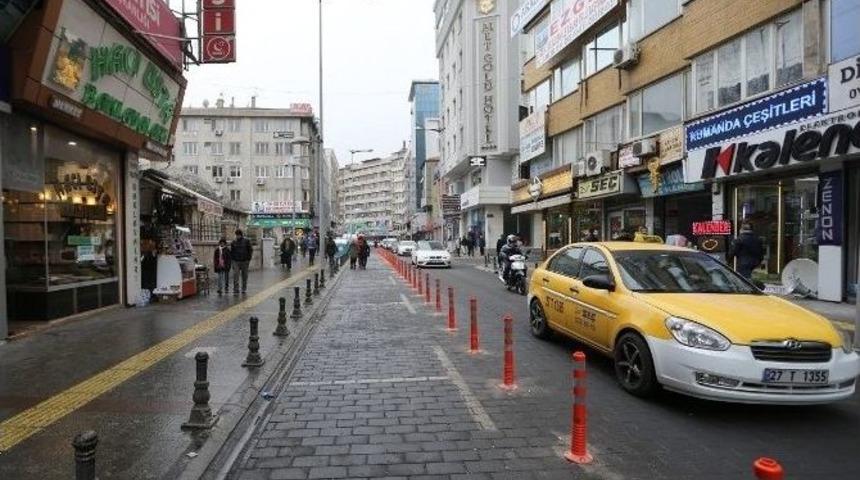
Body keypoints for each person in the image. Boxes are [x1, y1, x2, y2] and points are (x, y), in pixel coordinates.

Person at [230, 229, 253, 294]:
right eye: (236, 235)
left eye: (238, 235)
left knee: (244, 276)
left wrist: (248, 259)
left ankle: (244, 288)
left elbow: (250, 250)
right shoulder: (233, 242)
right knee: (236, 275)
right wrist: (232, 259)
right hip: (236, 261)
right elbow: (232, 251)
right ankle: (236, 289)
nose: (237, 236)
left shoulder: (246, 241)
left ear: (241, 235)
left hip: (244, 261)